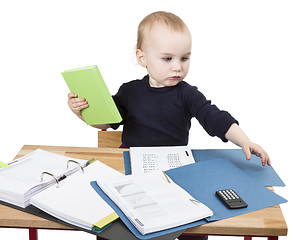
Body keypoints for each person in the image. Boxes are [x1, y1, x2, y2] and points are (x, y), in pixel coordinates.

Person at [68, 11, 271, 169]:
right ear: (142, 58)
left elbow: (216, 118)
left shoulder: (188, 94)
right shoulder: (129, 91)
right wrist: (81, 112)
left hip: (173, 167)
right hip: (131, 163)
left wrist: (245, 141)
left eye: (184, 58)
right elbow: (107, 120)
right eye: (167, 58)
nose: (177, 66)